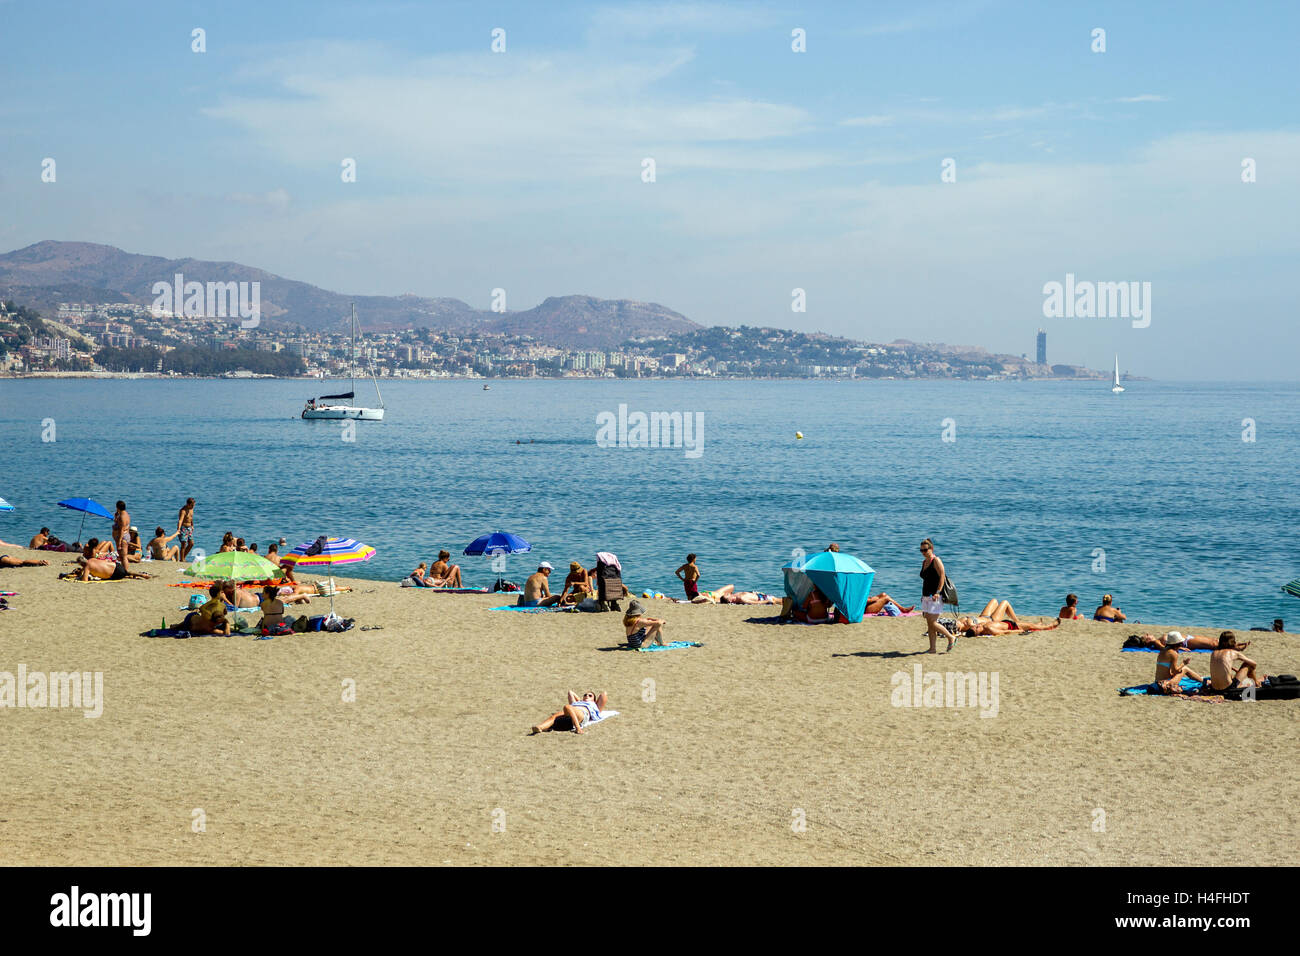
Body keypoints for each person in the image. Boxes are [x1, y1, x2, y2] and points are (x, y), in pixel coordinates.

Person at [919, 538, 956, 653]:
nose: (924, 552)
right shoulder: (924, 562)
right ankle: (932, 648)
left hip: (935, 596)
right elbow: (925, 580)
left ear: (931, 549)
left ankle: (951, 637)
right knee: (929, 624)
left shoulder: (936, 560)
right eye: (921, 550)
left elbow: (942, 576)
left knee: (933, 622)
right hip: (926, 596)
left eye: (925, 550)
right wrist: (923, 596)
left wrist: (938, 592)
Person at [530, 690, 610, 735]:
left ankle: (578, 729)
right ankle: (540, 727)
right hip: (571, 712)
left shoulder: (594, 706)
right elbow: (570, 692)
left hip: (582, 713)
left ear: (594, 700)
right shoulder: (577, 703)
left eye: (590, 696)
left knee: (567, 707)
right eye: (585, 695)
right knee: (554, 716)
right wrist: (580, 700)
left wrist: (594, 702)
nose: (587, 696)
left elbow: (604, 694)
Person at [176, 498, 196, 562]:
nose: (193, 506)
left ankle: (183, 557)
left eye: (194, 505)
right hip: (183, 528)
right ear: (188, 504)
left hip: (189, 528)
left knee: (191, 543)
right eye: (192, 505)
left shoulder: (191, 509)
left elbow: (191, 517)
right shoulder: (183, 511)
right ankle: (182, 559)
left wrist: (192, 525)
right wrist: (178, 529)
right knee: (183, 544)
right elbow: (180, 520)